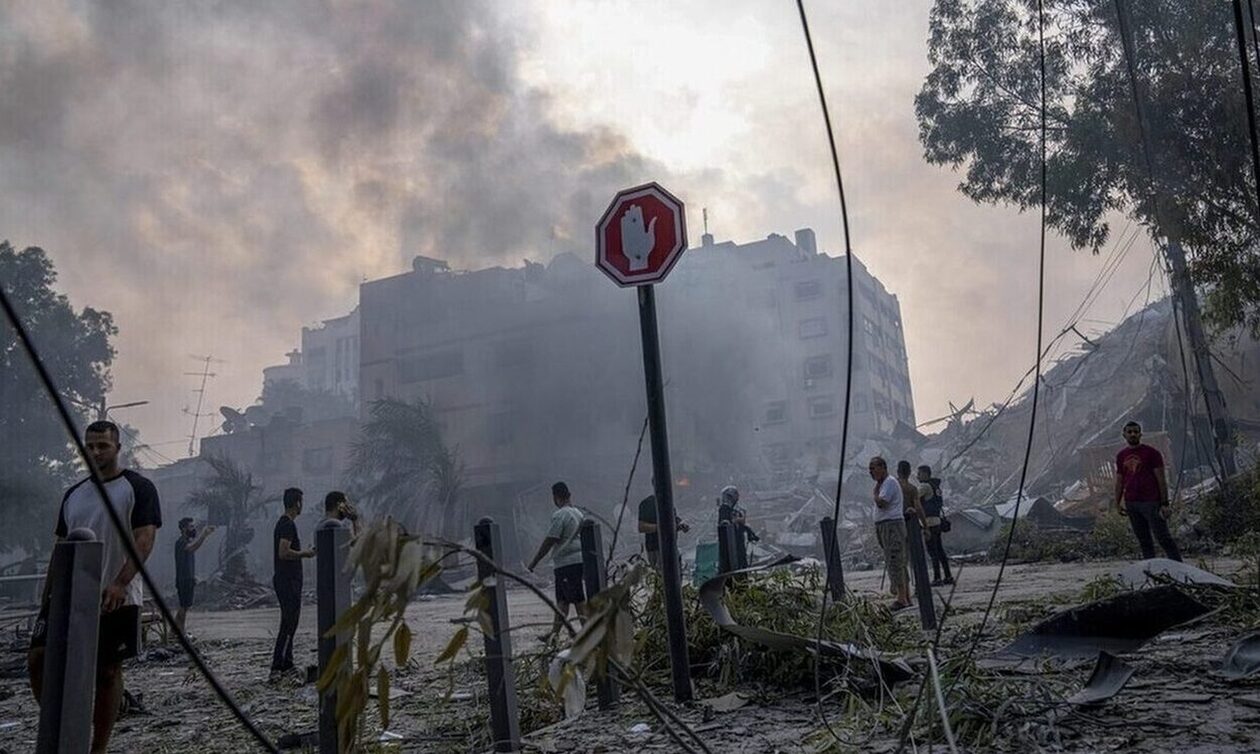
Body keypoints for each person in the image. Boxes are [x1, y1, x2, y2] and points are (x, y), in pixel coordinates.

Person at [28, 420, 162, 754]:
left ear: (117, 448)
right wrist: (47, 598)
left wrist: (120, 582)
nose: (96, 451)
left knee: (106, 671)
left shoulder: (137, 488)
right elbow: (61, 549)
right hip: (69, 596)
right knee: (38, 659)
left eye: (103, 445)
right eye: (90, 445)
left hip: (116, 595)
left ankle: (97, 748)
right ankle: (63, 723)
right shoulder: (74, 495)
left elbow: (144, 540)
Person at [527, 482, 588, 641]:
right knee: (562, 601)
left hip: (567, 563)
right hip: (576, 561)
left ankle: (588, 633)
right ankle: (554, 634)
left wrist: (534, 562)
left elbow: (550, 539)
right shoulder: (579, 514)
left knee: (578, 599)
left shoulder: (560, 515)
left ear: (556, 497)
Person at [1115, 421, 1182, 561]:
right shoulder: (1121, 456)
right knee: (1144, 540)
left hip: (1151, 501)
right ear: (1124, 435)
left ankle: (1179, 567)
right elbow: (1120, 480)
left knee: (1163, 537)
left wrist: (1164, 503)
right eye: (1130, 432)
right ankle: (1150, 569)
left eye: (1135, 431)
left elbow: (1161, 479)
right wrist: (1117, 502)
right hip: (1132, 502)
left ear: (1140, 434)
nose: (1133, 434)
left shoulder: (1152, 453)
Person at [271, 487, 314, 680]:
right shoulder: (287, 525)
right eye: (301, 502)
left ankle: (287, 664)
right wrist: (304, 553)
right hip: (288, 580)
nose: (302, 505)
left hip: (288, 580)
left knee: (291, 623)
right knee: (288, 623)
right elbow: (283, 552)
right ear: (297, 503)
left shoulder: (284, 524)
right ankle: (277, 667)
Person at [869, 456, 911, 610]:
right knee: (896, 560)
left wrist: (875, 494)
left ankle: (901, 599)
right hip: (885, 526)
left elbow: (882, 503)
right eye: (870, 469)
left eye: (873, 468)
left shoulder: (889, 483)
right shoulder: (884, 484)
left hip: (891, 526)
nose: (871, 472)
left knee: (895, 559)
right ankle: (906, 595)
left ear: (883, 468)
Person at [174, 517, 215, 631]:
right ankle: (180, 631)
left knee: (185, 606)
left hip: (188, 579)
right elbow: (192, 547)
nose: (193, 529)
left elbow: (193, 544)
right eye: (191, 526)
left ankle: (175, 630)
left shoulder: (186, 541)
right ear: (183, 528)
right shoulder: (181, 542)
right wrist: (204, 535)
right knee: (184, 606)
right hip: (184, 579)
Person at [917, 465, 953, 586]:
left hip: (928, 522)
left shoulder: (925, 486)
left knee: (933, 552)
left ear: (926, 474)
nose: (917, 476)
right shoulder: (935, 486)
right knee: (940, 550)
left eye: (919, 474)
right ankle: (948, 576)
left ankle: (937, 578)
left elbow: (914, 497)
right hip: (937, 521)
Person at [637, 488, 690, 568]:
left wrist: (681, 525)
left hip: (671, 547)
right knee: (661, 576)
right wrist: (662, 528)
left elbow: (673, 520)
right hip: (656, 549)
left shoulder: (668, 502)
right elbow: (641, 527)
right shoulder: (648, 504)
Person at [717, 485, 760, 551]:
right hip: (730, 546)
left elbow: (741, 525)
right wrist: (738, 520)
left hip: (738, 543)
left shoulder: (735, 512)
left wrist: (749, 532)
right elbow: (725, 523)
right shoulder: (724, 509)